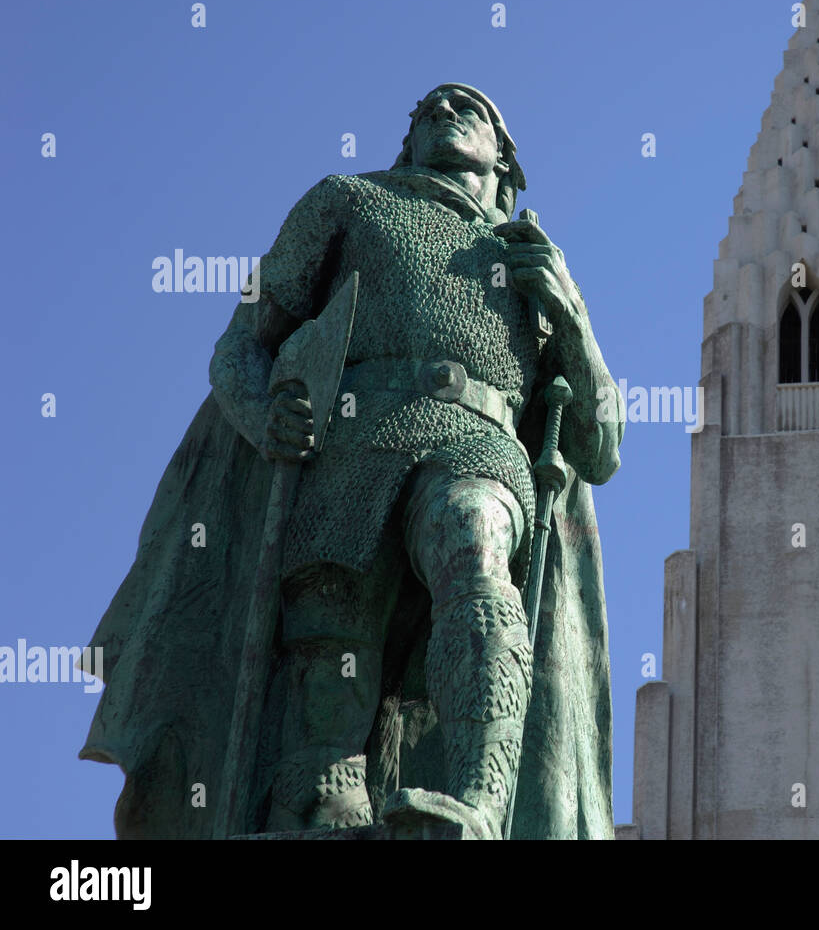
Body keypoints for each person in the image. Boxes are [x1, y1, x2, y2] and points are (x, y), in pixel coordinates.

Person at [80, 84, 624, 840]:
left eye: (467, 107)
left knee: (473, 547)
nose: (443, 111)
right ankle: (324, 810)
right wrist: (262, 411)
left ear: (505, 155)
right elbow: (241, 343)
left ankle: (479, 801)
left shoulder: (533, 257)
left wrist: (572, 320)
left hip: (478, 445)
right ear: (406, 141)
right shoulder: (348, 201)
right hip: (351, 450)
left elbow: (601, 446)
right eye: (428, 109)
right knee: (328, 653)